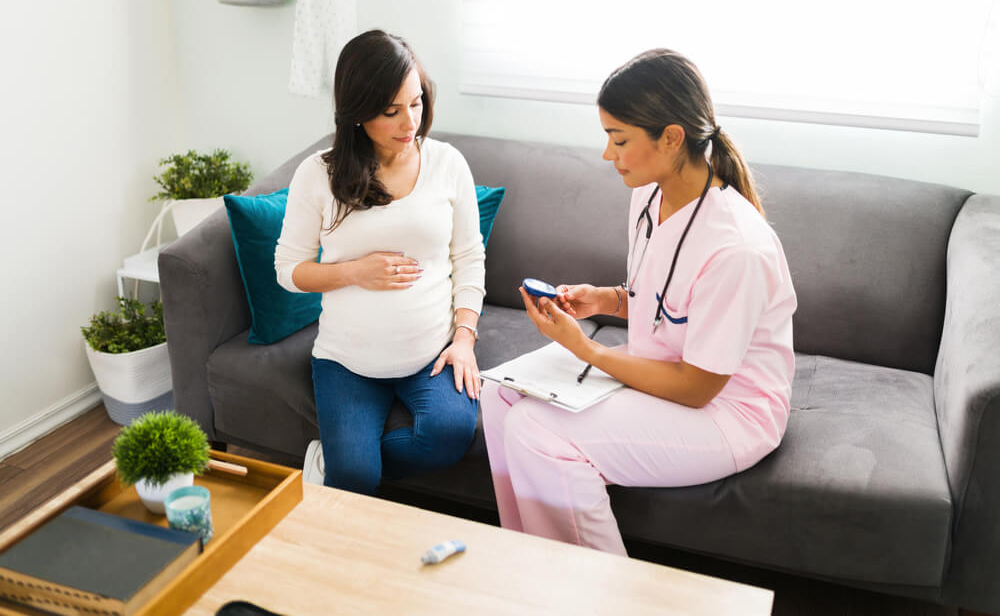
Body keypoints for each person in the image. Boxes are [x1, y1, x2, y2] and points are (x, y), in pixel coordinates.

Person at [481, 49, 797, 555]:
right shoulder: (649, 196)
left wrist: (587, 351)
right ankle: (531, 569)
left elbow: (697, 387)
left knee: (537, 430)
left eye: (619, 139)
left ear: (672, 138)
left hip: (728, 411)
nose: (609, 155)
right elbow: (664, 301)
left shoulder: (736, 247)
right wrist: (604, 300)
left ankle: (608, 595)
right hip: (662, 370)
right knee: (498, 397)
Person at [275, 30, 484, 495]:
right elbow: (288, 271)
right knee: (357, 481)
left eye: (416, 103)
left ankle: (344, 462)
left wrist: (465, 338)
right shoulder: (318, 175)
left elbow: (470, 257)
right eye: (391, 111)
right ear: (357, 113)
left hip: (432, 353)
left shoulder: (447, 164)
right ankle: (347, 464)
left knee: (450, 435)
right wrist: (353, 272)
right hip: (347, 361)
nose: (409, 121)